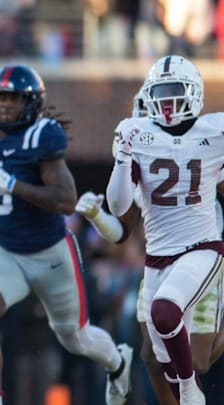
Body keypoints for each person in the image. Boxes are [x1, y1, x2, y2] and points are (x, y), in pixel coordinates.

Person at [0, 63, 132, 405]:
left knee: (74, 338)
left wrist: (13, 185)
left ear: (32, 103)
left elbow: (66, 202)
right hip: (5, 250)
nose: (5, 105)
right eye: (0, 98)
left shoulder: (41, 138)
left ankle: (117, 362)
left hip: (50, 252)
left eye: (14, 99)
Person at [104, 55, 224, 404]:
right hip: (157, 258)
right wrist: (122, 158)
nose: (167, 103)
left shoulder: (214, 131)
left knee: (166, 314)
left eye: (175, 92)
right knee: (158, 359)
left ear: (194, 93)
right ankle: (187, 391)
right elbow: (118, 207)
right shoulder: (137, 135)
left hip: (202, 247)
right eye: (160, 93)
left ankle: (189, 391)